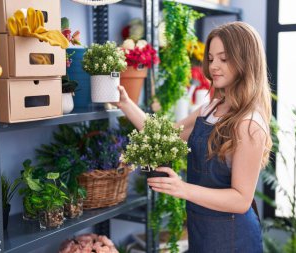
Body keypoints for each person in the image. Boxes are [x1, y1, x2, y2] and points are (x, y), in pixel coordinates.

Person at [115, 21, 271, 253]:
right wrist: (125, 103)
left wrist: (182, 188)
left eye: (224, 58)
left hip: (232, 238)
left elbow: (241, 200)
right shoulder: (212, 107)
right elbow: (165, 136)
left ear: (246, 61)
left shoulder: (249, 124)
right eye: (210, 58)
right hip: (202, 230)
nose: (214, 66)